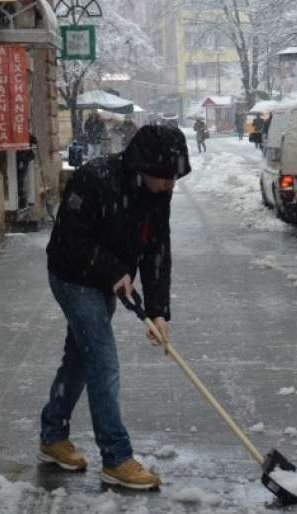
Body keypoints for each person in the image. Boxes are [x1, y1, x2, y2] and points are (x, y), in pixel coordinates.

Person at [39, 125, 192, 489]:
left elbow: (157, 249)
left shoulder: (157, 190)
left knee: (80, 357)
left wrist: (158, 311)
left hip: (105, 278)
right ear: (142, 166)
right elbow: (71, 239)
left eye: (174, 178)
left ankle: (52, 435)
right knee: (103, 361)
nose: (169, 185)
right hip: (72, 276)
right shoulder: (95, 178)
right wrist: (114, 271)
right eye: (164, 177)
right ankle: (116, 458)